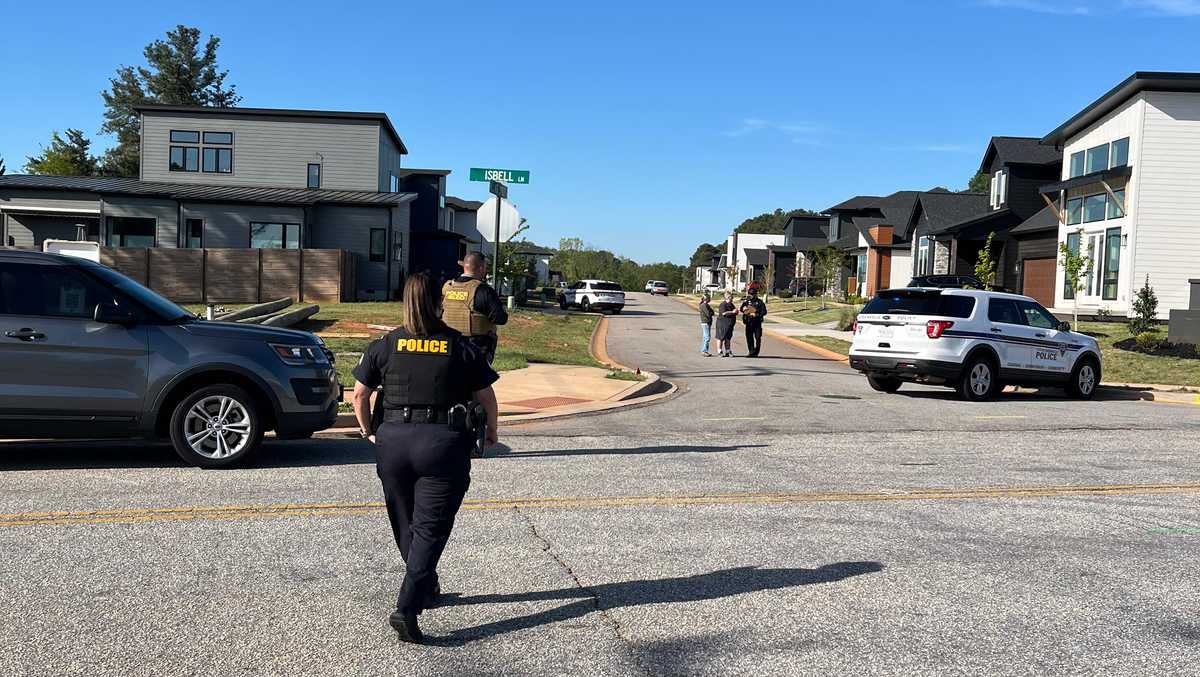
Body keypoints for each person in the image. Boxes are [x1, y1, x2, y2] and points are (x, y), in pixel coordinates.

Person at [352, 272, 500, 645]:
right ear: (439, 303)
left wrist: (369, 431)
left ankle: (425, 582)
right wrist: (493, 431)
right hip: (442, 445)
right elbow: (486, 398)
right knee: (430, 529)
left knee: (406, 522)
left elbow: (358, 395)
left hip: (393, 444)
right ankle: (408, 605)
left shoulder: (384, 345)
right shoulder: (460, 346)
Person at [441, 251, 508, 364]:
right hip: (476, 347)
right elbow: (500, 318)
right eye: (485, 267)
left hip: (448, 344)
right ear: (481, 268)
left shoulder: (447, 287)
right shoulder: (484, 290)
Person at [740, 283, 767, 357]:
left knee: (758, 337)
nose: (751, 295)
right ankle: (751, 351)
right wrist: (743, 309)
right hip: (749, 322)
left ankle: (756, 351)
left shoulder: (760, 302)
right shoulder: (746, 301)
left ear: (755, 294)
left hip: (757, 322)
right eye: (750, 294)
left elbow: (764, 312)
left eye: (752, 294)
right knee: (749, 337)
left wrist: (756, 314)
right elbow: (741, 309)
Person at [715, 291, 738, 357]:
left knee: (728, 338)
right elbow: (723, 313)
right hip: (722, 324)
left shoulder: (731, 304)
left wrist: (736, 312)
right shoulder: (723, 304)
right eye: (731, 297)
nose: (732, 298)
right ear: (727, 297)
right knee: (720, 338)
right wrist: (732, 311)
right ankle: (719, 351)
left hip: (729, 325)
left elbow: (734, 312)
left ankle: (728, 351)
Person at [699, 292, 714, 357]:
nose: (710, 299)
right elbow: (708, 314)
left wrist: (711, 312)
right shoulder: (703, 305)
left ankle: (704, 350)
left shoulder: (707, 305)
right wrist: (710, 312)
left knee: (705, 337)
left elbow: (712, 312)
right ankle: (704, 351)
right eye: (709, 298)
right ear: (706, 299)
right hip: (705, 322)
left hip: (708, 322)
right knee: (707, 337)